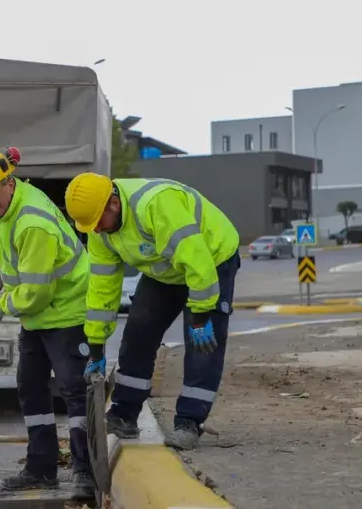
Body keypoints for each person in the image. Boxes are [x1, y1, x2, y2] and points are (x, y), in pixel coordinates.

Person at [64, 174, 241, 451]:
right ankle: (124, 414)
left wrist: (201, 316)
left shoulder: (155, 205)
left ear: (113, 202)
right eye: (90, 226)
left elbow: (197, 260)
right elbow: (101, 290)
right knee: (138, 331)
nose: (96, 229)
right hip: (165, 269)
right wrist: (96, 348)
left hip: (212, 257)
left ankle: (189, 423)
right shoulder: (100, 231)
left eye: (98, 221)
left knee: (202, 342)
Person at [0, 148, 96, 499]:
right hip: (39, 317)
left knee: (74, 390)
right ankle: (41, 468)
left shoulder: (32, 222)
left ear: (9, 182)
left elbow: (35, 293)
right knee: (30, 386)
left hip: (67, 312)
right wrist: (3, 298)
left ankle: (86, 473)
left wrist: (3, 306)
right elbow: (18, 271)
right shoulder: (6, 208)